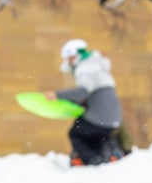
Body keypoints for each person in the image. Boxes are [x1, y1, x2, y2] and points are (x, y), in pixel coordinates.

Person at [45, 38, 124, 166]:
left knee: (75, 132)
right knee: (99, 133)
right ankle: (112, 154)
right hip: (114, 117)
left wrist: (57, 95)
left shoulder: (84, 68)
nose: (68, 62)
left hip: (99, 116)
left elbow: (82, 92)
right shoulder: (97, 66)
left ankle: (92, 160)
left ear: (77, 55)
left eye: (70, 58)